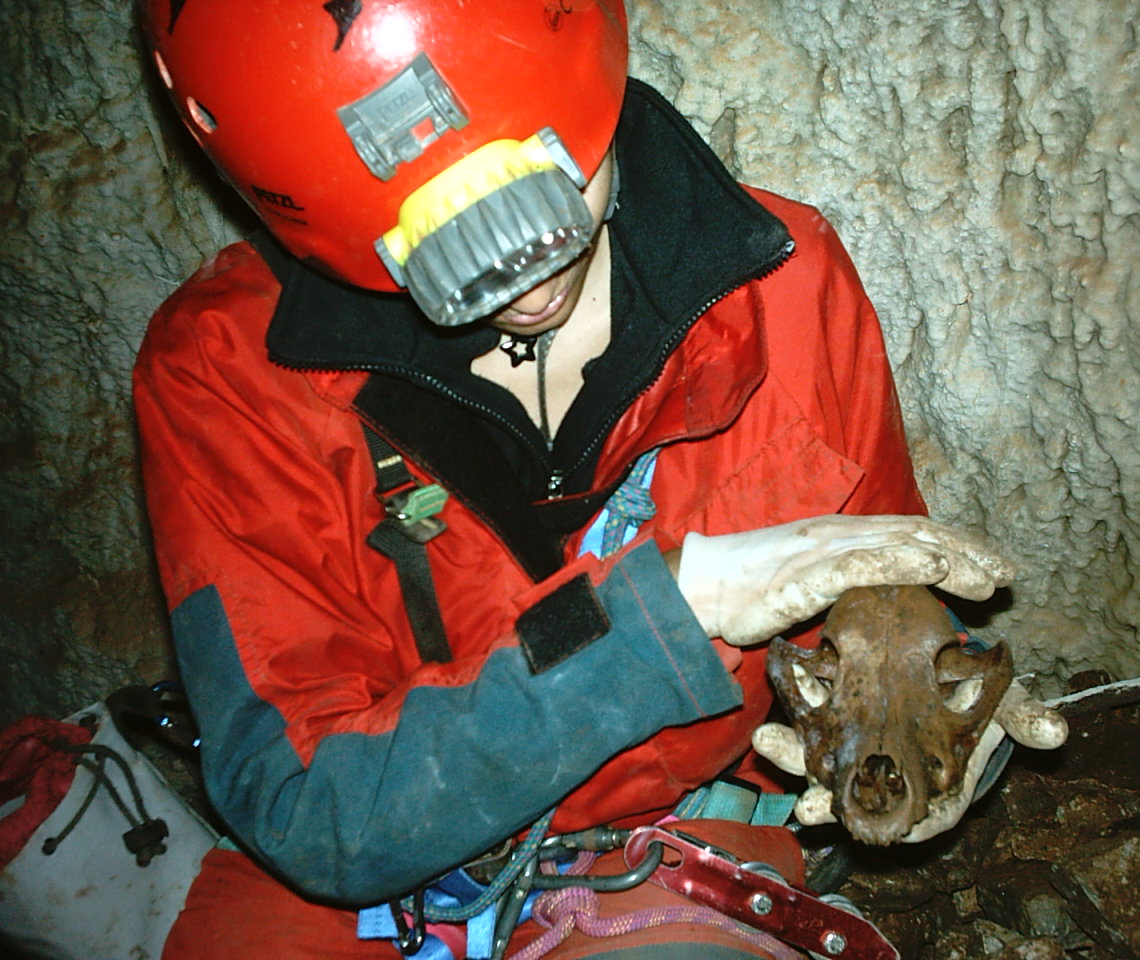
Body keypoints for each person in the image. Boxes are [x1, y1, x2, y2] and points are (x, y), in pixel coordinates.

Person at [133, 1, 1050, 957]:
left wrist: (927, 730)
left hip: (671, 855)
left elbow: (878, 611)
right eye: (443, 257)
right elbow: (309, 806)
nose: (530, 287)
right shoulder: (228, 372)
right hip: (361, 891)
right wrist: (668, 616)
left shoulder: (784, 288)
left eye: (554, 191)